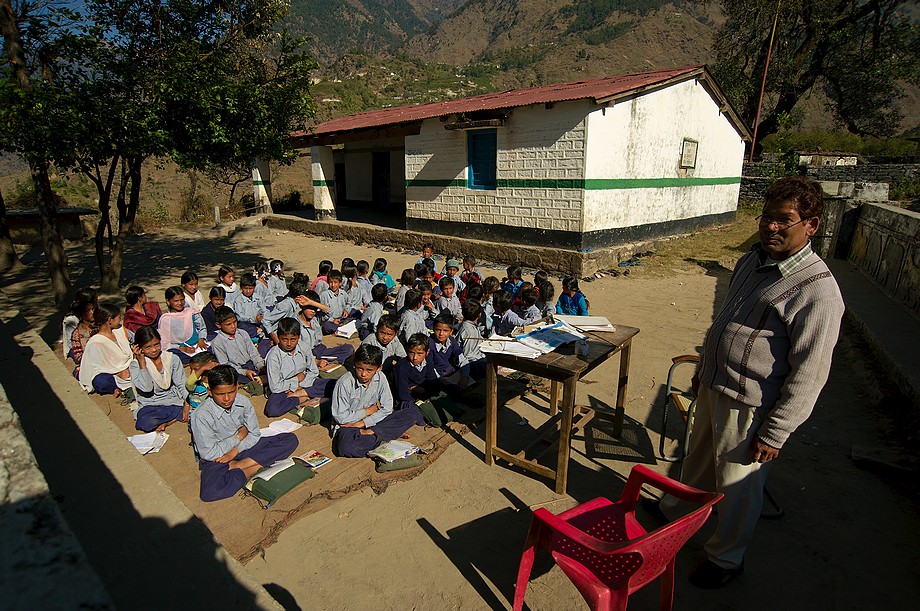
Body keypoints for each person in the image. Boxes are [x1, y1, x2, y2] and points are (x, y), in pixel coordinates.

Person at [650, 176, 845, 588]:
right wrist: (703, 372)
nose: (771, 227)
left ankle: (726, 558)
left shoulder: (818, 291)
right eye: (766, 217)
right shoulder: (750, 262)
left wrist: (776, 432)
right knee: (697, 461)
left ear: (811, 225)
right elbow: (726, 323)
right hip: (713, 386)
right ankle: (674, 513)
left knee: (738, 485)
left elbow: (811, 372)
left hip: (749, 404)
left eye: (784, 220)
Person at [190, 365, 298, 502]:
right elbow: (209, 453)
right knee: (210, 492)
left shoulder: (243, 402)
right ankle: (255, 467)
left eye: (231, 392)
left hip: (242, 448)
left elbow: (254, 434)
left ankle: (242, 467)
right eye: (220, 394)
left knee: (290, 439)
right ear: (210, 392)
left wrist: (235, 453)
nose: (227, 398)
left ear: (237, 387)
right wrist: (238, 437)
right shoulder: (201, 415)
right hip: (218, 457)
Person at [331, 344, 425, 458]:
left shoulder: (381, 378)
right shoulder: (345, 383)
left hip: (373, 421)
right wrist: (367, 411)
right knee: (346, 447)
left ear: (379, 368)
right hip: (350, 427)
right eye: (360, 368)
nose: (363, 374)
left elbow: (387, 408)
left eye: (369, 370)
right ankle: (383, 436)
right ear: (355, 364)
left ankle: (376, 434)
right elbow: (341, 417)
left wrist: (364, 423)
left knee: (413, 413)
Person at [264, 317, 334, 418]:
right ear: (278, 337)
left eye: (293, 339)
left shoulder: (304, 347)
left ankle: (301, 394)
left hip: (305, 382)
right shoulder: (273, 356)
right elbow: (275, 387)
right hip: (284, 389)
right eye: (284, 340)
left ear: (298, 337)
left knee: (335, 384)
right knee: (272, 409)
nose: (289, 344)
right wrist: (296, 380)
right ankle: (301, 398)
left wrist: (300, 386)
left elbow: (313, 371)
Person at [130, 326, 185, 432]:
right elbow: (147, 388)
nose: (154, 350)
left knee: (194, 407)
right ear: (139, 348)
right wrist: (142, 364)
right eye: (148, 347)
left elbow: (181, 382)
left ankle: (168, 422)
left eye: (156, 344)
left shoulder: (171, 359)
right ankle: (174, 417)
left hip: (172, 400)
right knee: (146, 422)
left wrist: (188, 402)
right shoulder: (135, 365)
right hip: (150, 404)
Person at [78, 302, 134, 397]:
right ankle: (115, 387)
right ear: (110, 320)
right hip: (112, 374)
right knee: (100, 381)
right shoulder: (95, 342)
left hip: (130, 367)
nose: (121, 320)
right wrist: (118, 373)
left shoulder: (120, 330)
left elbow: (135, 340)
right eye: (119, 317)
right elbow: (96, 368)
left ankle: (120, 386)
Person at [209, 306, 266, 393]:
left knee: (268, 369)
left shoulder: (243, 333)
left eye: (234, 322)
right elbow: (226, 365)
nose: (233, 326)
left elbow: (253, 353)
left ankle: (260, 379)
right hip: (236, 370)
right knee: (230, 377)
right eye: (228, 324)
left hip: (251, 364)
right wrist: (245, 372)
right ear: (218, 325)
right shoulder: (217, 343)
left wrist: (260, 366)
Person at [158, 286, 209, 364]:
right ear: (168, 301)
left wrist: (201, 339)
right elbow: (164, 342)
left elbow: (202, 328)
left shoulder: (191, 312)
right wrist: (181, 348)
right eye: (176, 301)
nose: (180, 303)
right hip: (179, 349)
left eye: (182, 300)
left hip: (197, 345)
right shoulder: (166, 319)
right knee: (174, 356)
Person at [65, 287, 98, 373]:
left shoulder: (95, 321)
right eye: (95, 299)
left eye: (93, 309)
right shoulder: (72, 321)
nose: (92, 312)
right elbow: (71, 344)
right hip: (77, 348)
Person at [428, 312, 468, 378]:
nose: (441, 333)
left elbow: (462, 360)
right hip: (437, 376)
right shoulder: (429, 345)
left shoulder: (451, 341)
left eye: (445, 330)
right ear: (433, 329)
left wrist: (465, 377)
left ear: (451, 331)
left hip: (451, 372)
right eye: (438, 330)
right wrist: (442, 380)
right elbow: (430, 368)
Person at [319, 270, 356, 335]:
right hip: (329, 321)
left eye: (335, 282)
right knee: (326, 326)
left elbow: (349, 303)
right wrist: (332, 320)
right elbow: (322, 313)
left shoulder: (343, 293)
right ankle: (340, 329)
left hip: (341, 319)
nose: (333, 285)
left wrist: (346, 310)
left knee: (355, 315)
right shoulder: (324, 295)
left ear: (340, 283)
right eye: (331, 282)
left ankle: (341, 328)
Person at [457, 299, 487, 379]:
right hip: (473, 364)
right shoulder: (470, 331)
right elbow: (468, 355)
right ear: (479, 315)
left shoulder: (468, 326)